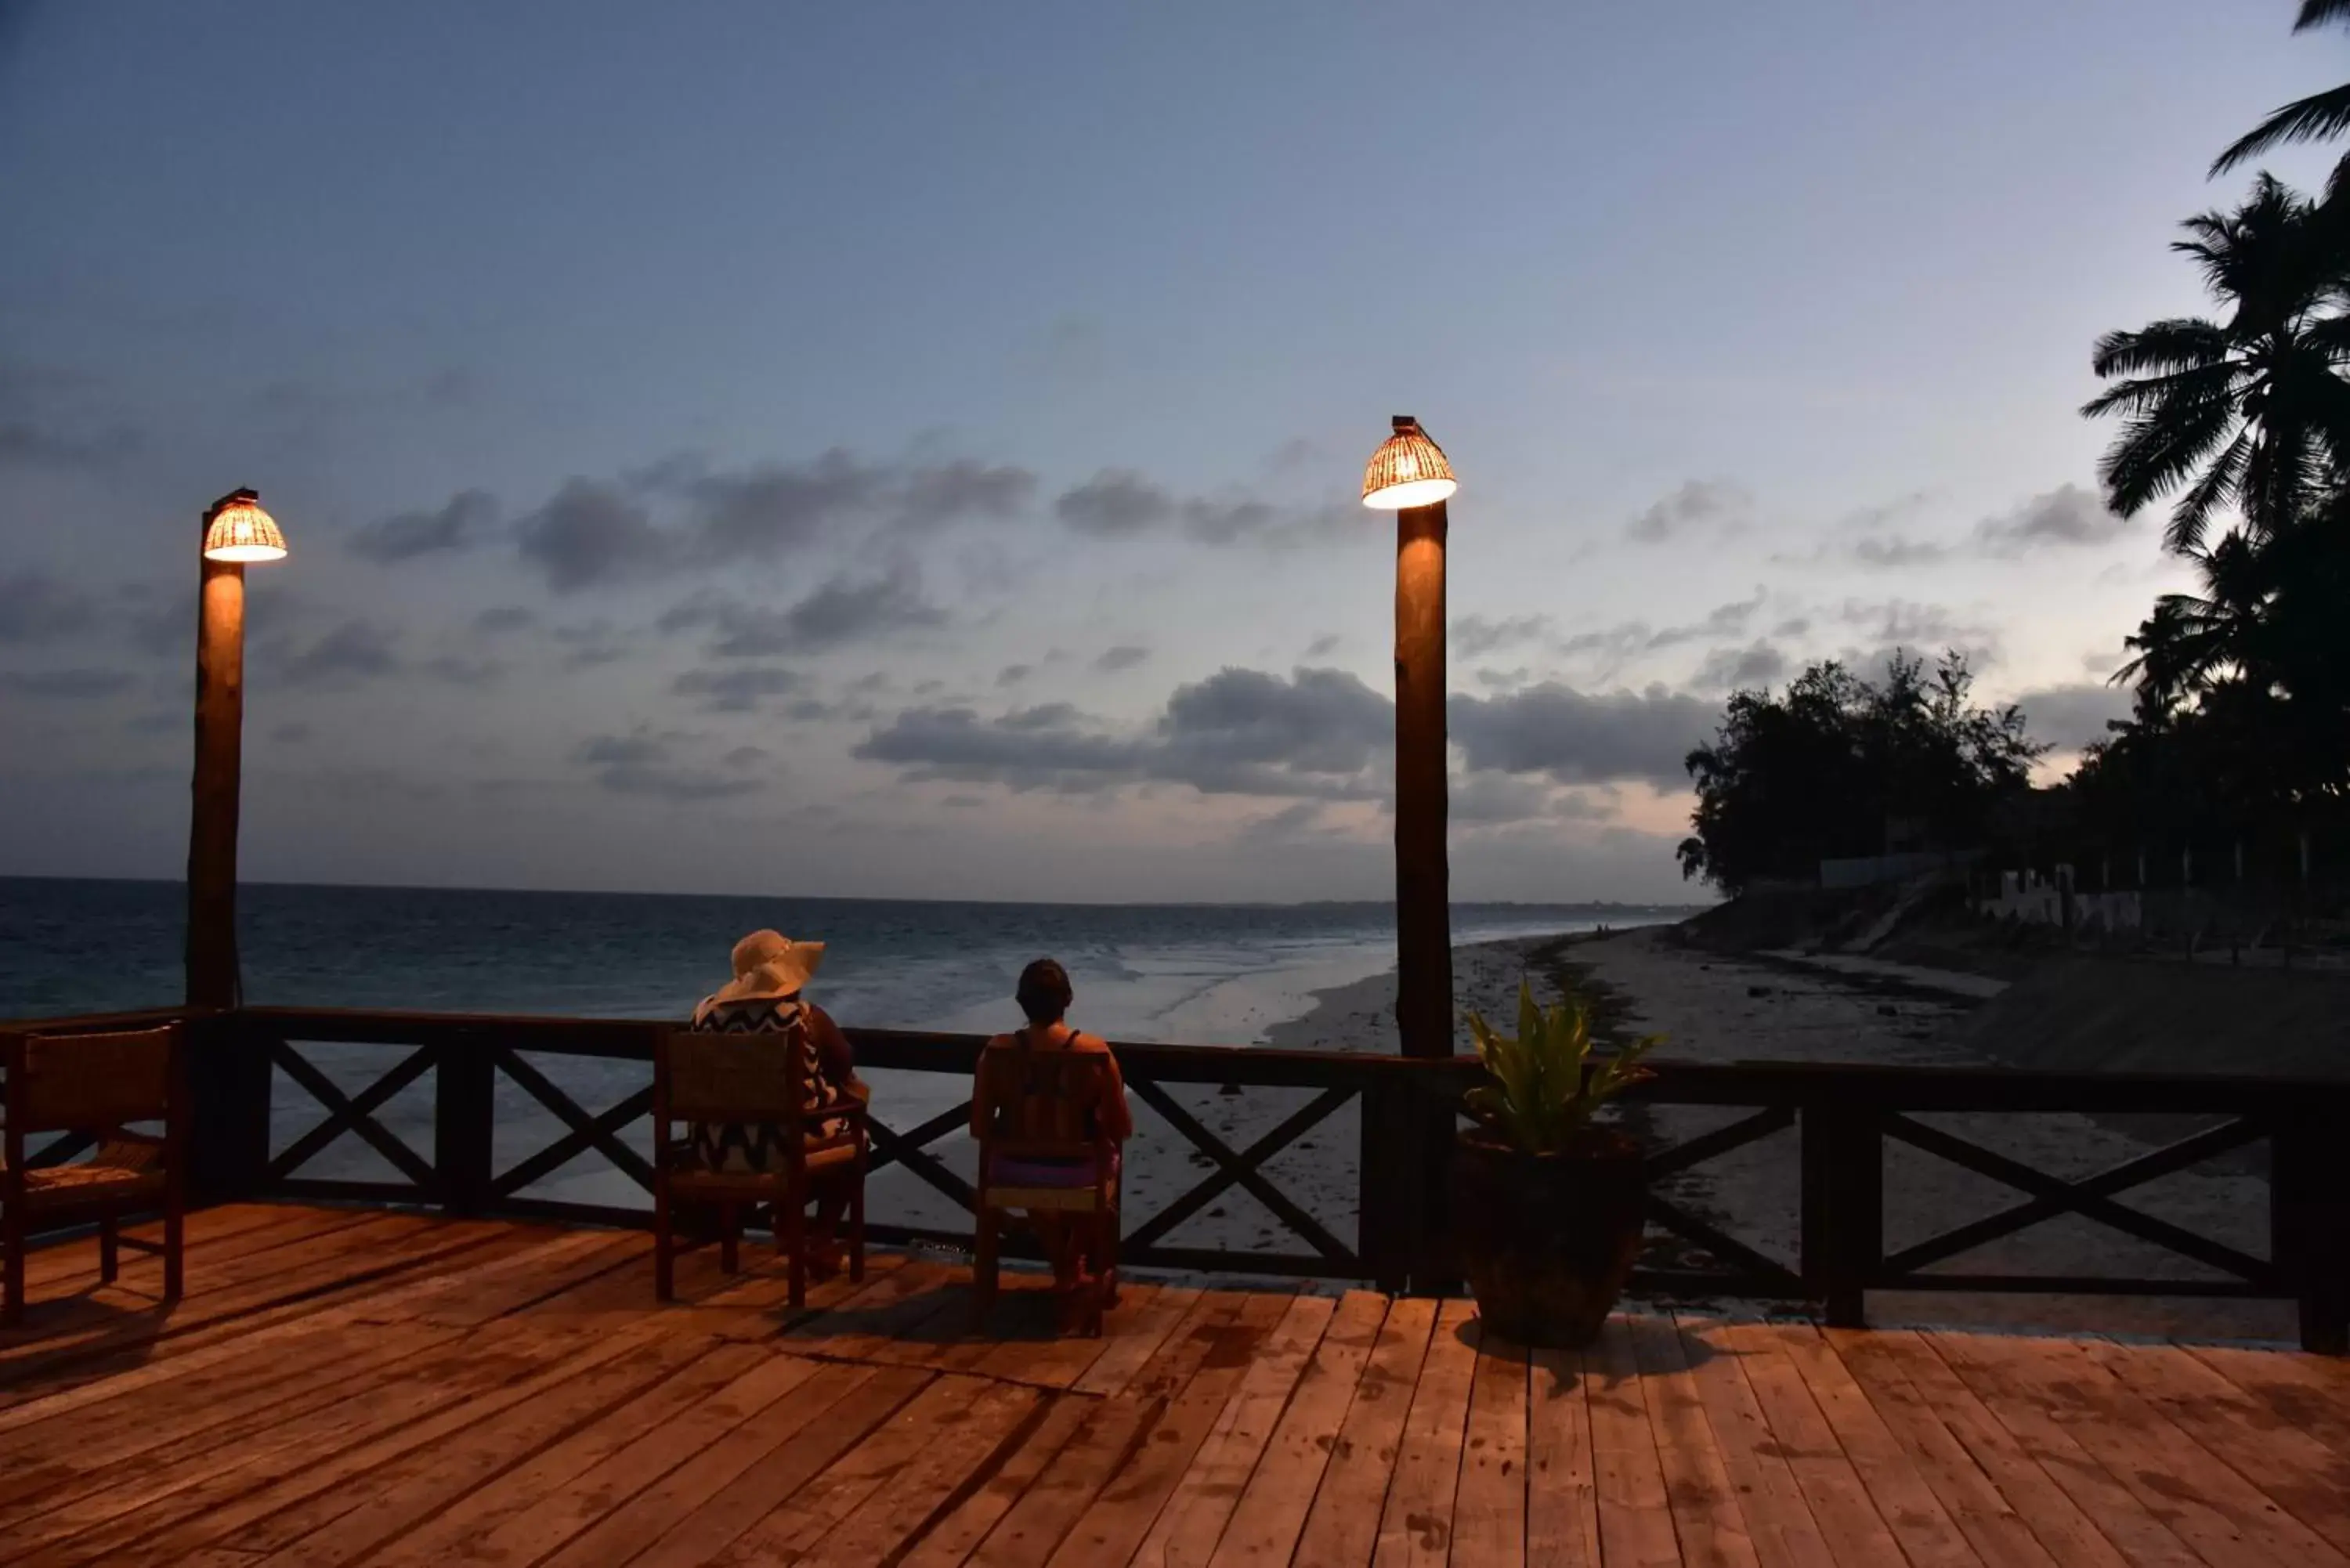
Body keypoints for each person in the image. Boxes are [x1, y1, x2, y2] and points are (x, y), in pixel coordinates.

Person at [688, 929, 868, 1275]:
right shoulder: (804, 1018)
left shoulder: (704, 1015)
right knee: (856, 1138)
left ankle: (788, 1224)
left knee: (798, 1133)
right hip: (782, 1150)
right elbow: (844, 1060)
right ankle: (819, 1241)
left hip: (714, 1149)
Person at [971, 958, 1133, 1301]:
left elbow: (979, 1126)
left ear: (1021, 1003)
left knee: (1035, 1172)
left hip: (1013, 1170)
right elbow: (1122, 1126)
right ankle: (1072, 1261)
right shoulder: (1095, 1052)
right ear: (1068, 1000)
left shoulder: (995, 1052)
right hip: (1078, 1172)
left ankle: (1065, 1266)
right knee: (1104, 1167)